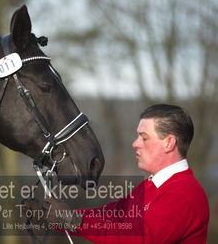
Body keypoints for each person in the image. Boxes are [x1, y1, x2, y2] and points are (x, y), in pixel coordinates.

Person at [24, 104, 209, 243]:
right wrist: (55, 216)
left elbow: (138, 238)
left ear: (169, 143)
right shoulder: (152, 186)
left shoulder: (184, 193)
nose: (135, 143)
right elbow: (111, 215)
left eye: (144, 137)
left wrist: (74, 220)